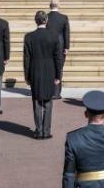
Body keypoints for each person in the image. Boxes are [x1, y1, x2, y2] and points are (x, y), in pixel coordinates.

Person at [24, 11, 62, 139]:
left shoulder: (29, 37)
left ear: (36, 21)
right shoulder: (54, 35)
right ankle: (46, 130)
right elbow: (58, 58)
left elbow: (26, 58)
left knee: (36, 101)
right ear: (46, 20)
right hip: (50, 70)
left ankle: (39, 130)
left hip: (35, 70)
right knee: (48, 101)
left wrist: (27, 76)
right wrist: (58, 75)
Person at [47, 0, 70, 99]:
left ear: (50, 5)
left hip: (47, 45)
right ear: (58, 5)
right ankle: (56, 92)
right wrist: (67, 47)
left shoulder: (45, 16)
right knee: (59, 68)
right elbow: (66, 33)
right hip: (60, 46)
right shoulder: (64, 17)